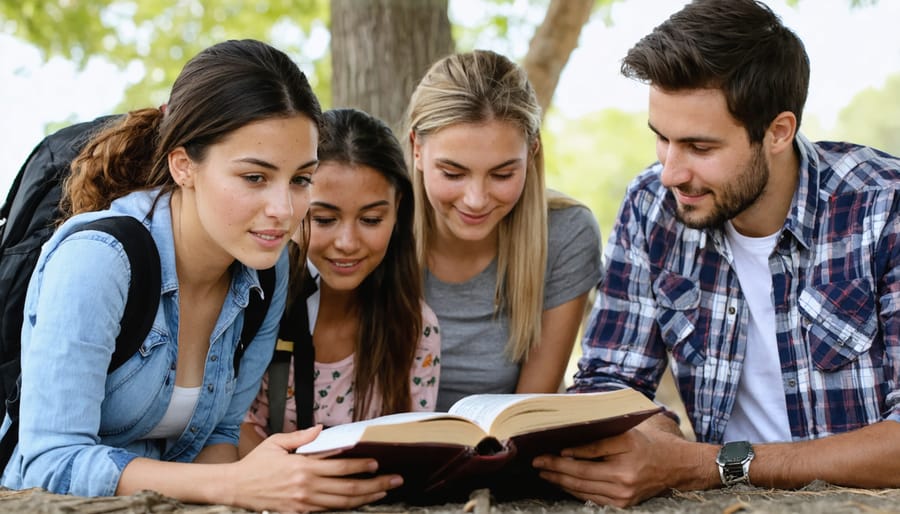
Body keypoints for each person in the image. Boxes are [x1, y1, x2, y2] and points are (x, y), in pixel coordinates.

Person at [0, 40, 402, 512]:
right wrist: (234, 485)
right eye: (255, 178)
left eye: (300, 179)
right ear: (184, 165)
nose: (284, 210)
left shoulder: (267, 269)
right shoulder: (99, 259)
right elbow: (50, 460)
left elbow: (218, 437)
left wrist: (257, 487)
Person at [532, 0, 900, 507]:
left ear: (778, 131)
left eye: (700, 148)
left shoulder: (885, 207)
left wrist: (706, 464)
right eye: (661, 139)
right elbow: (610, 379)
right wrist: (653, 433)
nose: (670, 172)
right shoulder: (651, 206)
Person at [406, 49, 603, 411]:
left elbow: (527, 411)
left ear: (531, 153)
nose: (476, 199)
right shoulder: (375, 225)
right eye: (453, 173)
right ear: (417, 149)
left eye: (502, 174)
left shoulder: (565, 234)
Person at [239, 108, 441, 453]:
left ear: (398, 210)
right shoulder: (251, 301)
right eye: (325, 218)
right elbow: (227, 428)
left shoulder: (415, 329)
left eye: (372, 219)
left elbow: (414, 447)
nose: (347, 242)